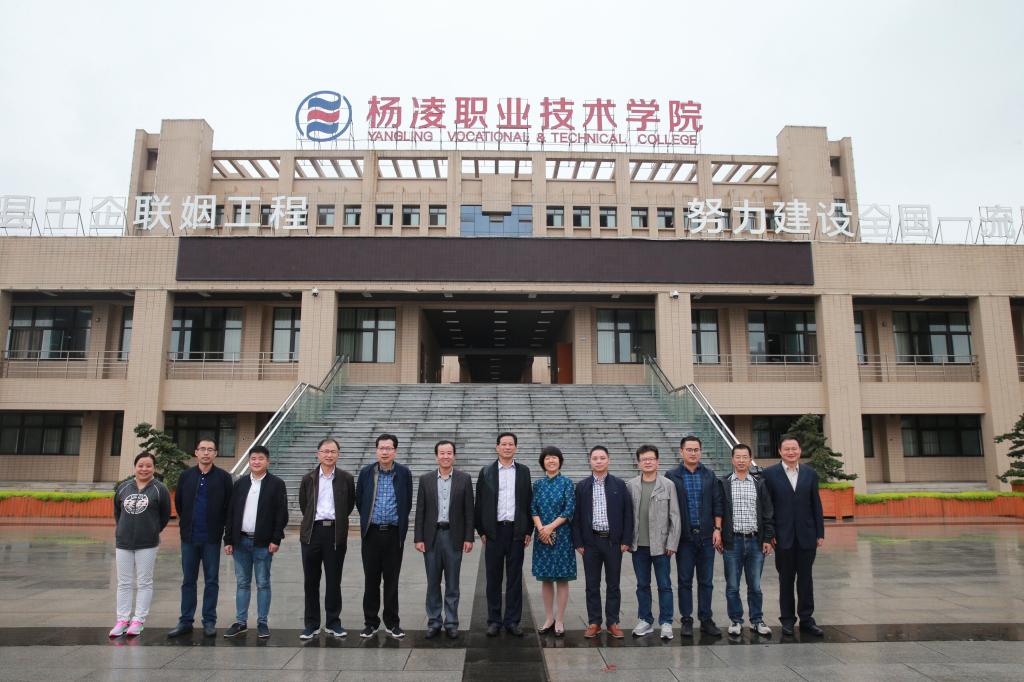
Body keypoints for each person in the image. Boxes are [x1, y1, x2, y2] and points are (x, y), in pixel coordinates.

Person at [168, 438, 233, 638]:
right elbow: (180, 504)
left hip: (211, 538)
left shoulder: (223, 478)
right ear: (196, 452)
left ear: (215, 454)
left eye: (210, 449)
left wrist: (225, 534)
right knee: (188, 580)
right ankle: (185, 621)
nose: (206, 453)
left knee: (211, 581)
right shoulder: (186, 476)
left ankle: (209, 621)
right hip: (189, 538)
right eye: (202, 449)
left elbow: (229, 507)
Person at [222, 445, 289, 639]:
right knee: (242, 583)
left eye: (260, 458)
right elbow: (231, 512)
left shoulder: (276, 484)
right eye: (253, 459)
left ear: (268, 461)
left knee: (262, 583)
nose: (256, 462)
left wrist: (276, 538)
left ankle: (262, 622)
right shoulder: (240, 484)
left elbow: (281, 514)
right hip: (240, 542)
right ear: (249, 461)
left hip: (263, 543)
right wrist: (228, 539)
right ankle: (241, 622)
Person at [763, 434, 825, 636]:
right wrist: (769, 533)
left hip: (807, 535)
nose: (791, 452)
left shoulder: (810, 473)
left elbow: (816, 504)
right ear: (780, 451)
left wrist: (820, 532)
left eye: (794, 448)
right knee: (786, 579)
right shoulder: (769, 474)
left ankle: (807, 619)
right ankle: (787, 620)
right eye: (787, 449)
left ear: (800, 451)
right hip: (782, 537)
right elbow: (767, 507)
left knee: (806, 579)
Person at [413, 440, 475, 639]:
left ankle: (451, 622)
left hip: (453, 536)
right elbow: (420, 510)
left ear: (454, 456)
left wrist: (469, 537)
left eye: (449, 453)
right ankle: (434, 621)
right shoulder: (426, 479)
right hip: (431, 537)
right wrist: (418, 537)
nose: (445, 456)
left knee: (452, 583)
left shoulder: (464, 479)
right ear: (436, 456)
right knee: (433, 582)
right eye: (442, 453)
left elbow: (469, 511)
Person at [665, 435, 724, 637]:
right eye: (689, 449)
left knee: (706, 581)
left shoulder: (709, 475)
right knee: (684, 581)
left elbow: (717, 503)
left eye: (696, 449)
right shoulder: (672, 476)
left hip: (707, 536)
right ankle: (687, 620)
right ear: (681, 451)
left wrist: (717, 529)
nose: (693, 453)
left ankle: (706, 619)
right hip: (684, 538)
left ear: (701, 451)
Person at [475, 431, 533, 637]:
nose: (507, 447)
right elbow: (479, 502)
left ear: (515, 447)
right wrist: (481, 530)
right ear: (497, 447)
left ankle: (512, 621)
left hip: (516, 531)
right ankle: (494, 620)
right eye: (504, 444)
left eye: (511, 444)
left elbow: (528, 502)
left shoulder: (524, 471)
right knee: (493, 578)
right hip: (494, 532)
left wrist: (528, 530)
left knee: (515, 578)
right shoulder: (486, 472)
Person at [572, 445, 633, 639]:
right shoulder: (582, 486)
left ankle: (613, 622)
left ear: (608, 460)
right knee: (592, 584)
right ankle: (594, 622)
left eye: (602, 458)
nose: (599, 461)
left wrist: (626, 539)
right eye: (595, 458)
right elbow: (576, 516)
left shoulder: (619, 485)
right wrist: (578, 542)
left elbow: (628, 513)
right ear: (590, 461)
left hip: (613, 543)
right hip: (590, 543)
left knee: (613, 584)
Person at [297, 437, 356, 640]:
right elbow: (304, 504)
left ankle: (333, 622)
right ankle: (311, 624)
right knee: (310, 581)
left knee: (333, 580)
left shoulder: (346, 478)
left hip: (335, 533)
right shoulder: (308, 478)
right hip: (312, 533)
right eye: (325, 451)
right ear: (318, 454)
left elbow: (348, 505)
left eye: (332, 452)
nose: (329, 455)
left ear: (338, 454)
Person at [356, 433, 413, 639]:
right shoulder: (366, 472)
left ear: (395, 451)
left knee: (391, 580)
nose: (385, 452)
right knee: (371, 579)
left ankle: (392, 622)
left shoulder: (404, 473)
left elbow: (407, 502)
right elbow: (360, 500)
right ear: (376, 450)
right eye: (381, 448)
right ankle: (370, 622)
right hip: (371, 534)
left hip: (393, 534)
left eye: (389, 448)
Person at [110, 452, 171, 637]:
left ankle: (138, 620)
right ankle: (122, 620)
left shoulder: (160, 489)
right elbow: (118, 512)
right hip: (123, 542)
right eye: (141, 465)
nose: (144, 469)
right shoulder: (123, 487)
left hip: (147, 543)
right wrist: (123, 529)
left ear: (154, 468)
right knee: (124, 582)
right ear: (135, 467)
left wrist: (152, 530)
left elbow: (165, 515)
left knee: (144, 582)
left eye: (148, 466)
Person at [719, 443, 774, 637]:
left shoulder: (759, 483)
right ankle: (736, 620)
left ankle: (757, 620)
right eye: (738, 457)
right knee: (732, 586)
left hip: (755, 542)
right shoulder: (724, 483)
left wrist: (767, 538)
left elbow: (768, 513)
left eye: (745, 457)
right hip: (732, 542)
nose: (741, 460)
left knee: (755, 586)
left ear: (750, 460)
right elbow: (718, 511)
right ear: (732, 460)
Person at [626, 444, 681, 640]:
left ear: (658, 461)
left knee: (664, 585)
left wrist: (672, 543)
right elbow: (627, 515)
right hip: (638, 545)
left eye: (651, 459)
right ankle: (645, 620)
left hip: (661, 545)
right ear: (638, 463)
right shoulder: (631, 485)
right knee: (642, 584)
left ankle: (666, 622)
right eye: (644, 459)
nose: (647, 462)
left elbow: (675, 516)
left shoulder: (668, 485)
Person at [530, 445, 576, 636]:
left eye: (554, 457)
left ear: (560, 461)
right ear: (543, 462)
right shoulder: (538, 485)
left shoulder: (567, 483)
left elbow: (569, 509)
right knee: (546, 578)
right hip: (542, 536)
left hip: (562, 535)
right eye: (547, 458)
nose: (551, 460)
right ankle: (549, 618)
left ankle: (560, 619)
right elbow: (533, 508)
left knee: (562, 579)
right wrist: (542, 529)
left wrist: (550, 527)